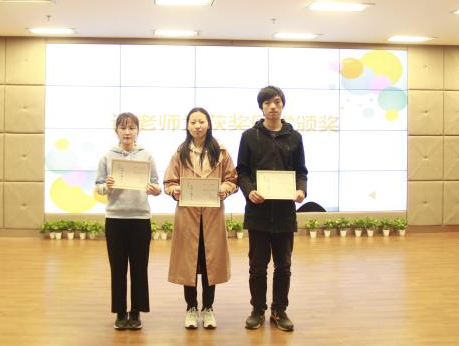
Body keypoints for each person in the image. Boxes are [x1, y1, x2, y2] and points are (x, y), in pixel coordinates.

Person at [236, 86, 308, 332]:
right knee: (257, 266)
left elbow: (301, 172)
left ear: (283, 105)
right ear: (261, 107)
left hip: (285, 213)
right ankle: (257, 310)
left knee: (283, 266)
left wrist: (301, 190)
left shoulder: (295, 137)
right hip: (258, 212)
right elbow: (242, 172)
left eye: (277, 102)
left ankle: (279, 310)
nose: (273, 107)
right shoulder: (249, 136)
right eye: (267, 103)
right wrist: (249, 191)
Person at [163, 107, 238, 330]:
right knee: (188, 263)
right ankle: (191, 308)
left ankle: (208, 308)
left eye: (201, 122)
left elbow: (232, 179)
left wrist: (225, 189)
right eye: (193, 122)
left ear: (208, 124)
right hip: (188, 216)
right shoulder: (180, 152)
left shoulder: (221, 151)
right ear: (187, 126)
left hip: (213, 216)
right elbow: (169, 182)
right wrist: (175, 190)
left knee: (209, 263)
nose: (197, 126)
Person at [95, 112, 162, 330]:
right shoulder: (107, 157)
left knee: (139, 269)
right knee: (118, 269)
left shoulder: (146, 155)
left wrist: (155, 190)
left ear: (137, 131)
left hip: (140, 219)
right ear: (116, 130)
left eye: (131, 128)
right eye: (123, 128)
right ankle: (120, 312)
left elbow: (157, 185)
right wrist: (107, 186)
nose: (127, 132)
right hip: (115, 219)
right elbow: (98, 187)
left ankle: (136, 312)